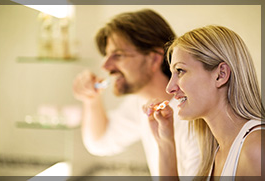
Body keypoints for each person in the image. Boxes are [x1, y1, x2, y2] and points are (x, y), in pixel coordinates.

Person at [73, 9, 200, 176]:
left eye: (118, 55)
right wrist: (91, 100)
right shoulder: (142, 103)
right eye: (107, 55)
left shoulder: (195, 118)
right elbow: (99, 142)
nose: (105, 66)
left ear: (154, 59)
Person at [143, 25, 265, 180]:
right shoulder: (214, 154)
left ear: (221, 75)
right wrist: (165, 142)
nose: (169, 88)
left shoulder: (257, 148)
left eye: (180, 71)